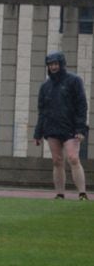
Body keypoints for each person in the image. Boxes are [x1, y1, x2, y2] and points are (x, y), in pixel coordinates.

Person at [33, 51, 89, 200]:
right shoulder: (45, 86)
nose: (53, 67)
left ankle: (82, 193)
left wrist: (80, 129)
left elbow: (82, 106)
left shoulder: (74, 81)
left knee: (73, 158)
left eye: (56, 64)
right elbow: (42, 111)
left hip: (71, 128)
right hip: (52, 128)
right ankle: (59, 194)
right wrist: (37, 134)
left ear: (62, 64)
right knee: (57, 160)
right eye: (51, 64)